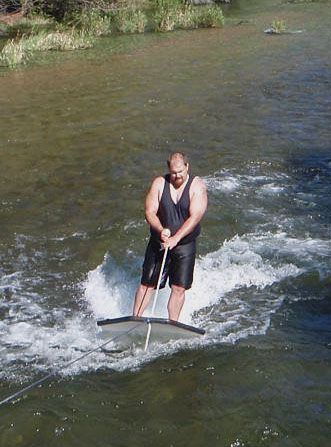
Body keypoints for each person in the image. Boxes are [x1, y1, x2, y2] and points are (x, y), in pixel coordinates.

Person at [133, 152, 208, 321]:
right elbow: (149, 212)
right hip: (160, 242)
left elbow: (195, 217)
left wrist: (176, 238)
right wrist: (160, 230)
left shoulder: (197, 186)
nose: (177, 176)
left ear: (187, 167)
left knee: (179, 287)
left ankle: (173, 323)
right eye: (174, 172)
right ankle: (135, 319)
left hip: (184, 245)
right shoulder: (159, 184)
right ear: (169, 169)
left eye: (180, 171)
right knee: (147, 284)